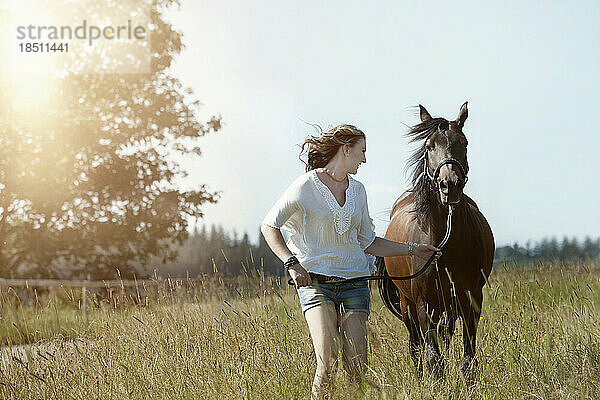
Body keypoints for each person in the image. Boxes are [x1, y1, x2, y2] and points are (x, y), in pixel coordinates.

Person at [260, 124, 440, 399]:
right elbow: (269, 225)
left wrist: (413, 249)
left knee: (358, 367)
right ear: (346, 149)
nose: (365, 159)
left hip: (355, 284)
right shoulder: (305, 186)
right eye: (362, 151)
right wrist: (291, 263)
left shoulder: (358, 191)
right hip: (316, 284)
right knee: (328, 364)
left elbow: (369, 242)